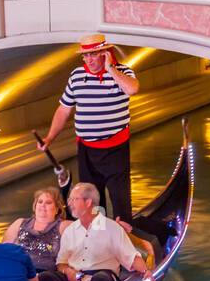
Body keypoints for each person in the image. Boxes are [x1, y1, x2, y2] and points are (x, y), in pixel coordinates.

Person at [37, 34, 139, 224]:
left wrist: (110, 68)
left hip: (116, 150)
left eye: (93, 54)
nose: (88, 60)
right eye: (85, 55)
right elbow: (64, 109)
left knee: (120, 202)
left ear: (105, 53)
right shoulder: (77, 76)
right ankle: (97, 234)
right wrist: (50, 138)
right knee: (92, 204)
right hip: (87, 151)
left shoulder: (123, 72)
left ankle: (124, 234)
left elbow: (132, 89)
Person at [37, 183, 150, 281]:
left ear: (88, 202)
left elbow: (131, 257)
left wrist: (146, 272)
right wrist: (68, 271)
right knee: (47, 277)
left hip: (102, 279)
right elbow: (61, 263)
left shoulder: (112, 228)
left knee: (100, 279)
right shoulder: (69, 231)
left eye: (74, 199)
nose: (69, 203)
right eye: (70, 199)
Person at [2, 187, 68, 274]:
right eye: (40, 202)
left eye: (48, 202)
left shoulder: (63, 226)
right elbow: (3, 251)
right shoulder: (19, 223)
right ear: (35, 205)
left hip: (46, 274)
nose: (43, 205)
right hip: (18, 271)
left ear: (57, 208)